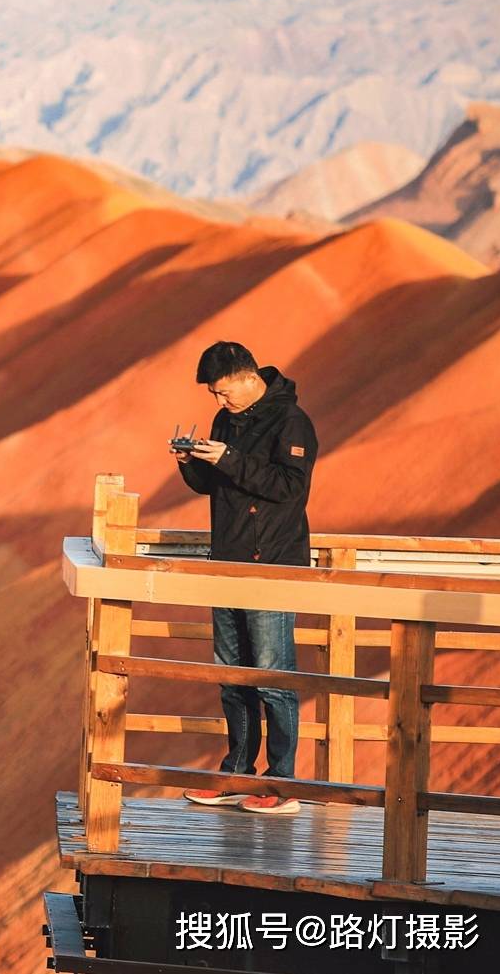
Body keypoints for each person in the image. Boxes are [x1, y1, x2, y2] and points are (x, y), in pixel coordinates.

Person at [172, 341, 318, 816]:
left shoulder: (292, 421)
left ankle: (282, 783)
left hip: (272, 564)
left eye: (222, 392)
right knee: (232, 676)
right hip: (227, 561)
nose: (219, 402)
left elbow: (289, 488)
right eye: (214, 396)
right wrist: (191, 462)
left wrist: (227, 458)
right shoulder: (226, 422)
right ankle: (238, 771)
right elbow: (216, 486)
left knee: (273, 675)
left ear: (248, 376)